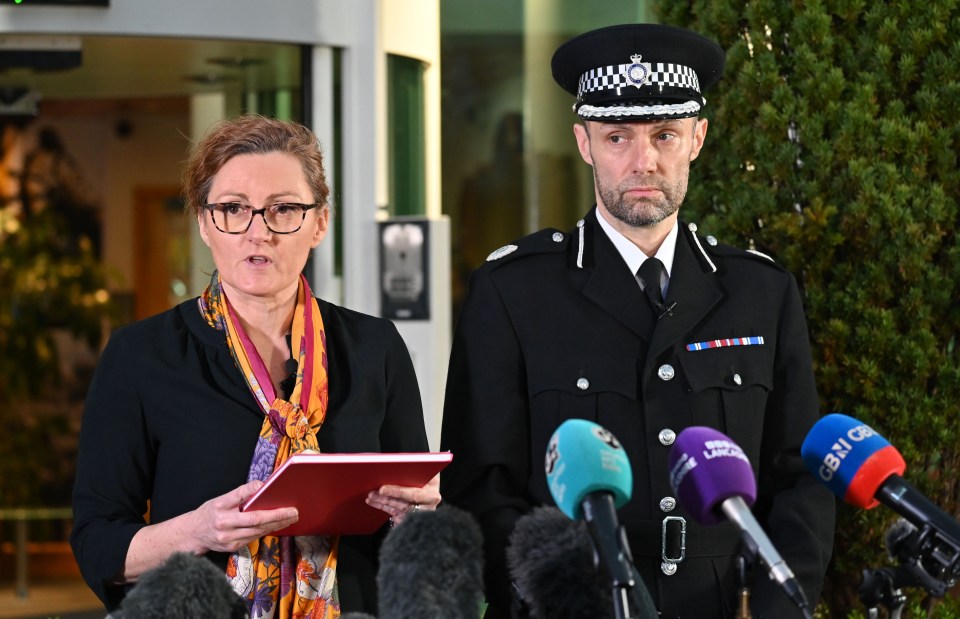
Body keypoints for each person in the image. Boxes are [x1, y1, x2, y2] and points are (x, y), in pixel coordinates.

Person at [440, 23, 835, 618]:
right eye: (617, 136)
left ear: (698, 138)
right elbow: (481, 487)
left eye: (665, 134)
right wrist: (548, 599)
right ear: (584, 142)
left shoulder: (761, 291)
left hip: (730, 605)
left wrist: (780, 608)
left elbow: (800, 479)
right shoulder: (513, 293)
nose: (642, 160)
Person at [71, 115, 441, 618]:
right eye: (232, 210)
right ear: (204, 223)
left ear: (319, 222)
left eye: (283, 209)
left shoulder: (374, 345)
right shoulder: (140, 355)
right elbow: (98, 543)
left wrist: (416, 515)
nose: (257, 232)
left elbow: (415, 516)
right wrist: (197, 530)